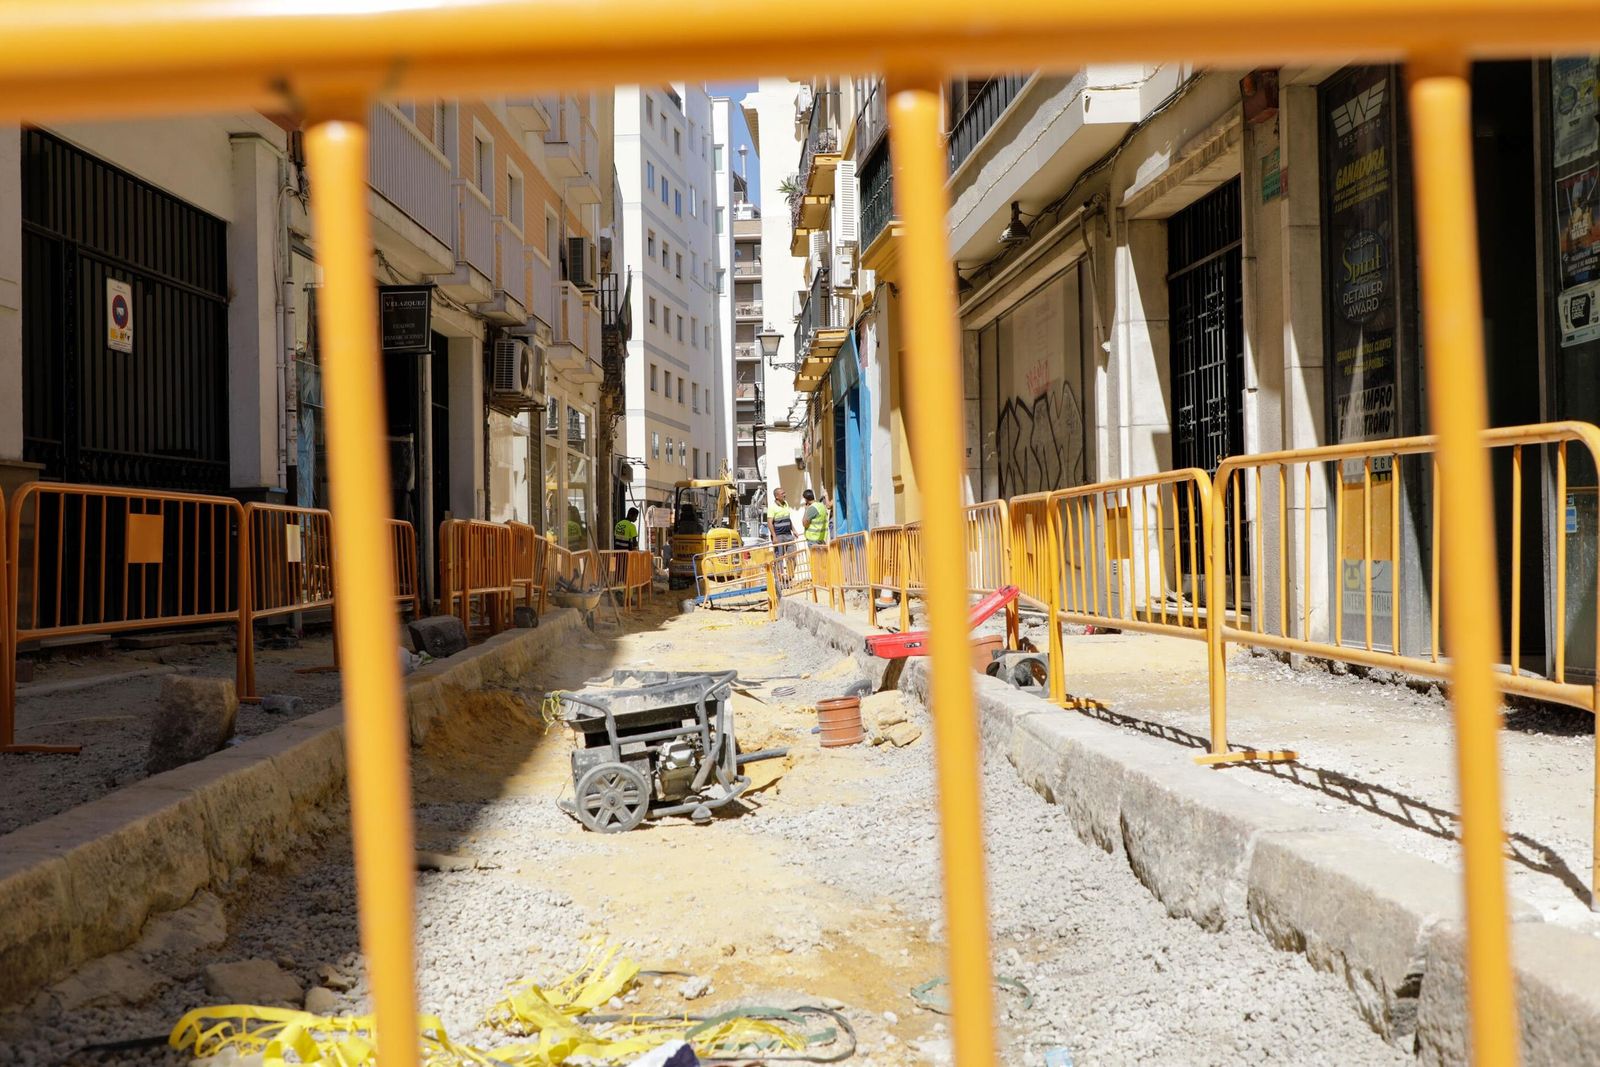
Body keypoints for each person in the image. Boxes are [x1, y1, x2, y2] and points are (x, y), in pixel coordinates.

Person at [766, 488, 796, 579]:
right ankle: (780, 579)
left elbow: (788, 519)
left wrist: (793, 530)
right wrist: (774, 536)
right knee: (779, 558)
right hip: (779, 536)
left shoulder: (785, 504)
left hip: (788, 534)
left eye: (784, 492)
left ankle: (790, 576)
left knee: (792, 555)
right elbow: (769, 523)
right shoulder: (772, 508)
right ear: (777, 496)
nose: (785, 494)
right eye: (782, 493)